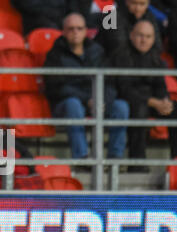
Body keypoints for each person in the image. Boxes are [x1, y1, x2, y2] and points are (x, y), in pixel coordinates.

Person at [44, 13, 129, 164]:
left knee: (121, 107)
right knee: (73, 104)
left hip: (97, 102)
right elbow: (56, 88)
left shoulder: (97, 51)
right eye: (71, 29)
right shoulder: (54, 55)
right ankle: (81, 157)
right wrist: (87, 100)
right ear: (63, 31)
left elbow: (110, 82)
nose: (75, 32)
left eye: (79, 28)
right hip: (67, 106)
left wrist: (101, 100)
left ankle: (115, 159)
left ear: (85, 31)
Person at [109, 19, 177, 171]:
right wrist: (152, 102)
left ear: (153, 38)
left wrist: (164, 101)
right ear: (131, 35)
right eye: (140, 35)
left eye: (148, 36)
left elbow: (160, 86)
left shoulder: (156, 58)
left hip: (153, 102)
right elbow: (124, 89)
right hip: (129, 102)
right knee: (139, 111)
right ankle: (137, 165)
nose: (144, 40)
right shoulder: (121, 56)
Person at [94, 0, 162, 57]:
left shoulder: (150, 17)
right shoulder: (112, 17)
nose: (137, 8)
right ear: (127, 2)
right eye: (134, 3)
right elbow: (117, 47)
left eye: (142, 4)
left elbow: (157, 46)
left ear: (148, 4)